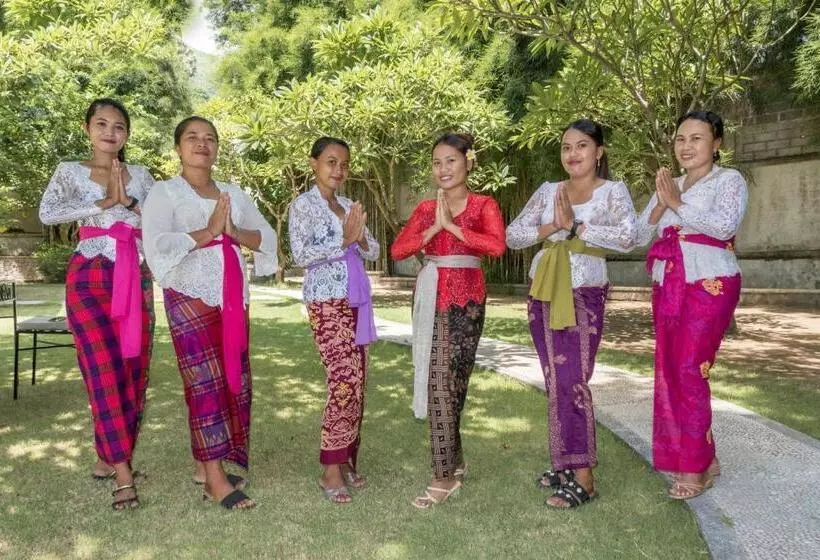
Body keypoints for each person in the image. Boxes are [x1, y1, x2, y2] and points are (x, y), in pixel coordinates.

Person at [141, 116, 279, 510]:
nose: (202, 144)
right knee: (204, 384)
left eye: (210, 138)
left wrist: (233, 232)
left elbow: (266, 237)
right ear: (178, 148)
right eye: (192, 137)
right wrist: (208, 232)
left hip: (234, 296)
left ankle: (210, 463)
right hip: (190, 294)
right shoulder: (164, 193)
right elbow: (157, 245)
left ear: (217, 147)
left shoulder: (233, 192)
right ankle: (214, 480)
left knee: (234, 379)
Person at [506, 119, 637, 509]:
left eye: (582, 146)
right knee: (554, 380)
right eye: (566, 147)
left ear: (599, 152)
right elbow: (513, 235)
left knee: (573, 380)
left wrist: (577, 225)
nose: (573, 154)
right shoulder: (548, 191)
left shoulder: (613, 192)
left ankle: (584, 476)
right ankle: (564, 463)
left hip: (584, 292)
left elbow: (629, 236)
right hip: (542, 290)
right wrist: (552, 226)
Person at [39, 98, 155, 510]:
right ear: (88, 128)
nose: (110, 132)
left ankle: (109, 456)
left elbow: (157, 221)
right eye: (102, 124)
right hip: (89, 274)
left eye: (119, 126)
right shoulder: (70, 171)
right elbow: (48, 212)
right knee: (102, 369)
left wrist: (129, 203)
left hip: (134, 273)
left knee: (133, 368)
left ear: (127, 134)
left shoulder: (141, 175)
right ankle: (123, 472)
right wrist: (103, 203)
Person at [634, 110, 747, 500]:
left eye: (697, 138)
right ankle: (704, 458)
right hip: (668, 283)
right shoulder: (670, 183)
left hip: (711, 281)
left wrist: (678, 203)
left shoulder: (728, 180)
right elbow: (637, 234)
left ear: (716, 144)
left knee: (689, 368)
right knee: (670, 368)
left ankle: (693, 466)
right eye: (681, 138)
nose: (686, 146)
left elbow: (723, 227)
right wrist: (661, 205)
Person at [391, 132, 506, 509]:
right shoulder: (426, 208)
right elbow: (398, 248)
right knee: (437, 381)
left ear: (468, 162)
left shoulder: (484, 204)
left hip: (467, 301)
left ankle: (452, 462)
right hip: (430, 297)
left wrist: (454, 228)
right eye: (437, 162)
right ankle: (444, 473)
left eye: (451, 161)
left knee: (453, 382)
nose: (443, 169)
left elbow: (496, 246)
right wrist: (433, 228)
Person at [288, 137, 380, 505]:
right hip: (325, 299)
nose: (338, 170)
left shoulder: (348, 205)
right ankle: (330, 467)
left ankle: (345, 461)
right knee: (343, 379)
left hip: (356, 296)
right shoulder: (302, 206)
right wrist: (342, 241)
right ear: (314, 164)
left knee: (358, 380)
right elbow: (300, 254)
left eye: (344, 163)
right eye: (330, 162)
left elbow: (372, 248)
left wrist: (356, 236)